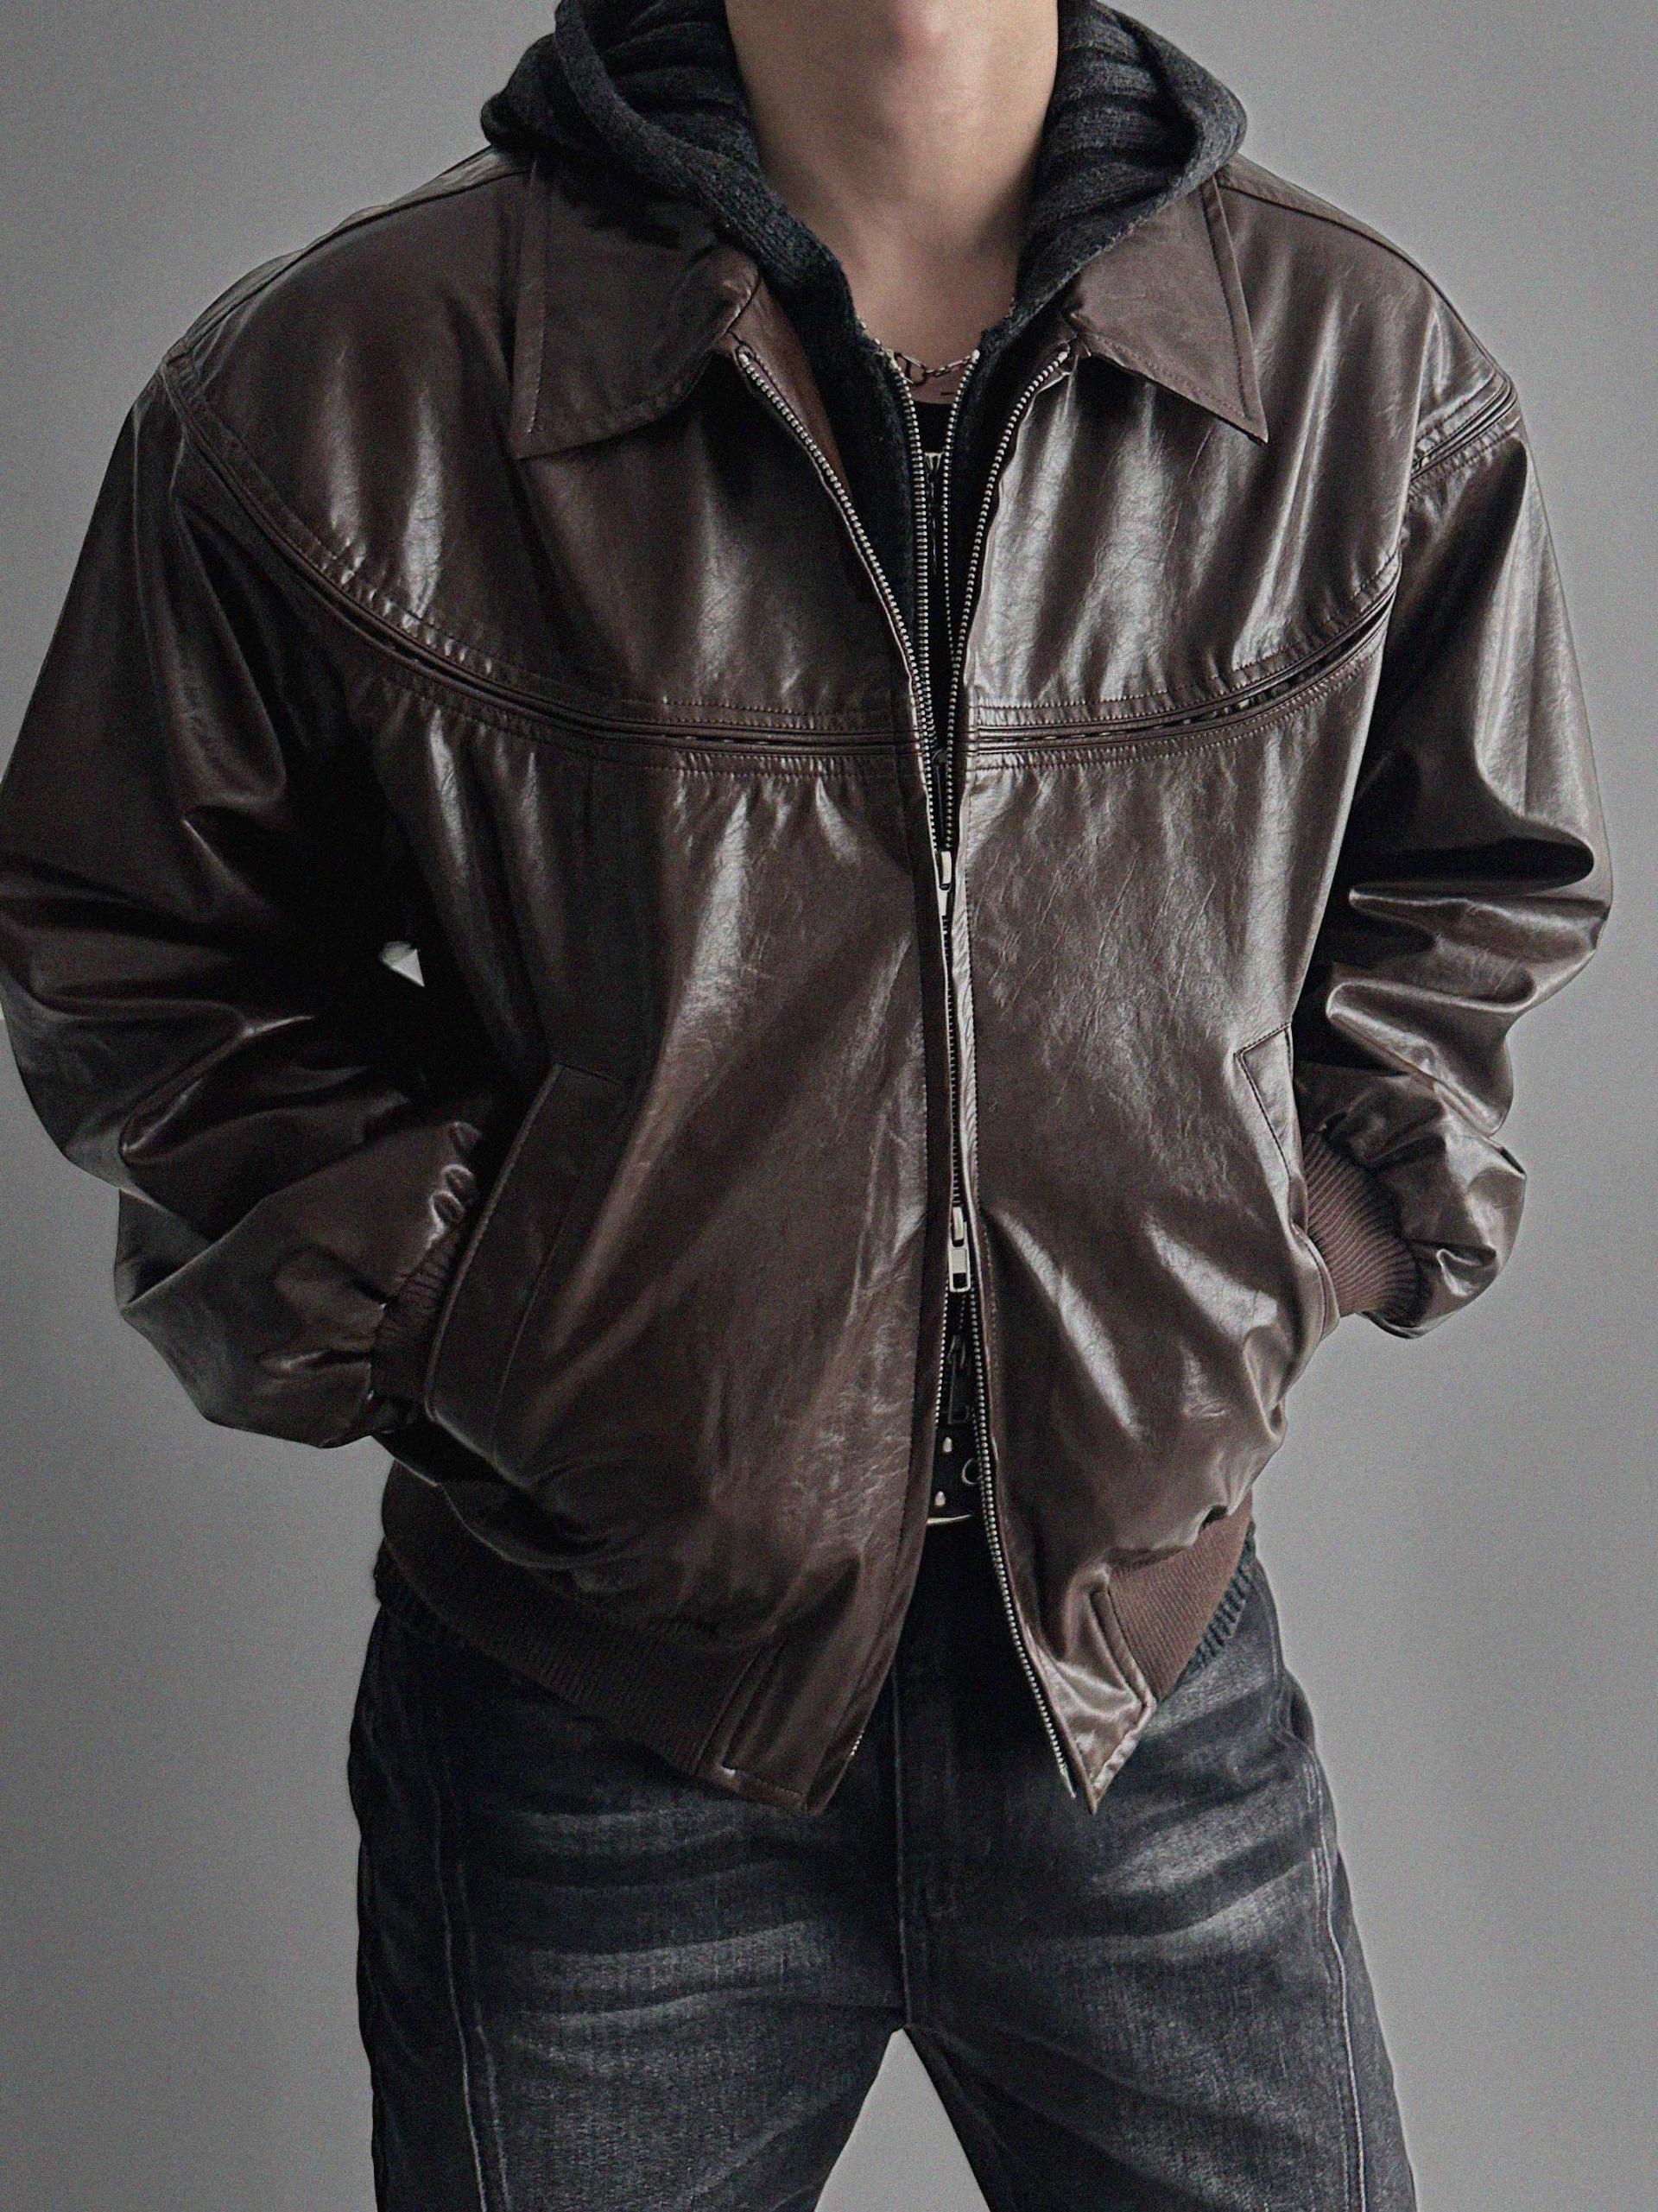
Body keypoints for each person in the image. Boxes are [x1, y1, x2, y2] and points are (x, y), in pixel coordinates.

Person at [0, 0, 1612, 2204]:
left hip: (1137, 1691)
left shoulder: (1354, 372)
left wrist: (1286, 1242)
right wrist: (481, 1309)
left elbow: (1483, 879)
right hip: (588, 1716)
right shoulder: (354, 382)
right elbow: (126, 933)